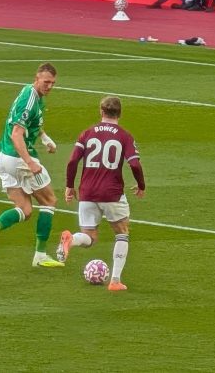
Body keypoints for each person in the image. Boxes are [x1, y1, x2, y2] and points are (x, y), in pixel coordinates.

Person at [0, 63, 66, 268]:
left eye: (53, 83)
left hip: (3, 158)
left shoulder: (31, 92)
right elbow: (17, 133)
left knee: (25, 210)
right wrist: (30, 162)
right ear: (37, 78)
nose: (49, 86)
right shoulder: (30, 101)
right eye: (46, 82)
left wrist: (44, 138)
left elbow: (33, 123)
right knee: (49, 201)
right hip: (18, 159)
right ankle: (40, 255)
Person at [59, 95, 146, 292]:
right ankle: (115, 281)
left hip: (87, 192)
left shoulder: (87, 133)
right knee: (122, 233)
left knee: (89, 237)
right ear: (120, 113)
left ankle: (71, 239)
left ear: (101, 111)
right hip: (112, 193)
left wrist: (69, 186)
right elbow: (134, 163)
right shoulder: (124, 136)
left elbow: (72, 161)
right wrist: (141, 185)